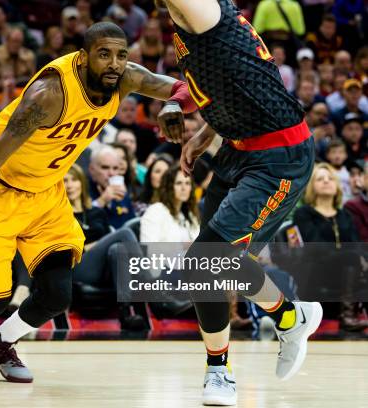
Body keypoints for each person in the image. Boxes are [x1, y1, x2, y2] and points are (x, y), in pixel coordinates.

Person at [0, 21, 192, 383]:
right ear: (82, 57)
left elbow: (186, 87)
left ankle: (1, 341)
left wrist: (172, 104)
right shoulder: (49, 94)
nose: (114, 64)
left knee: (58, 295)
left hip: (46, 194)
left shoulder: (125, 78)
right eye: (103, 54)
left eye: (121, 55)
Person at [157, 0, 322, 405]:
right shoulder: (193, 21)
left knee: (204, 263)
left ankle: (223, 371)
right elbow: (233, 85)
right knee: (216, 265)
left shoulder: (201, 8)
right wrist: (201, 136)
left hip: (277, 158)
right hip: (238, 148)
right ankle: (289, 319)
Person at [65, 164, 147, 330]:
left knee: (118, 250)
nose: (70, 185)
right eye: (65, 181)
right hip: (78, 267)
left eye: (74, 180)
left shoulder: (97, 212)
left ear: (81, 182)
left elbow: (108, 244)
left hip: (103, 267)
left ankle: (125, 313)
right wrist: (95, 246)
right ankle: (148, 278)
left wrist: (102, 245)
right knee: (124, 233)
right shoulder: (61, 215)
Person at [293, 163, 367, 331]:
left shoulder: (345, 215)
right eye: (320, 179)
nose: (326, 181)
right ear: (312, 186)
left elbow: (356, 244)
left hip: (347, 269)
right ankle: (347, 314)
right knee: (351, 257)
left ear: (337, 185)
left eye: (330, 178)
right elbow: (315, 245)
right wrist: (348, 254)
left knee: (356, 257)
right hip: (315, 269)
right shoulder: (304, 213)